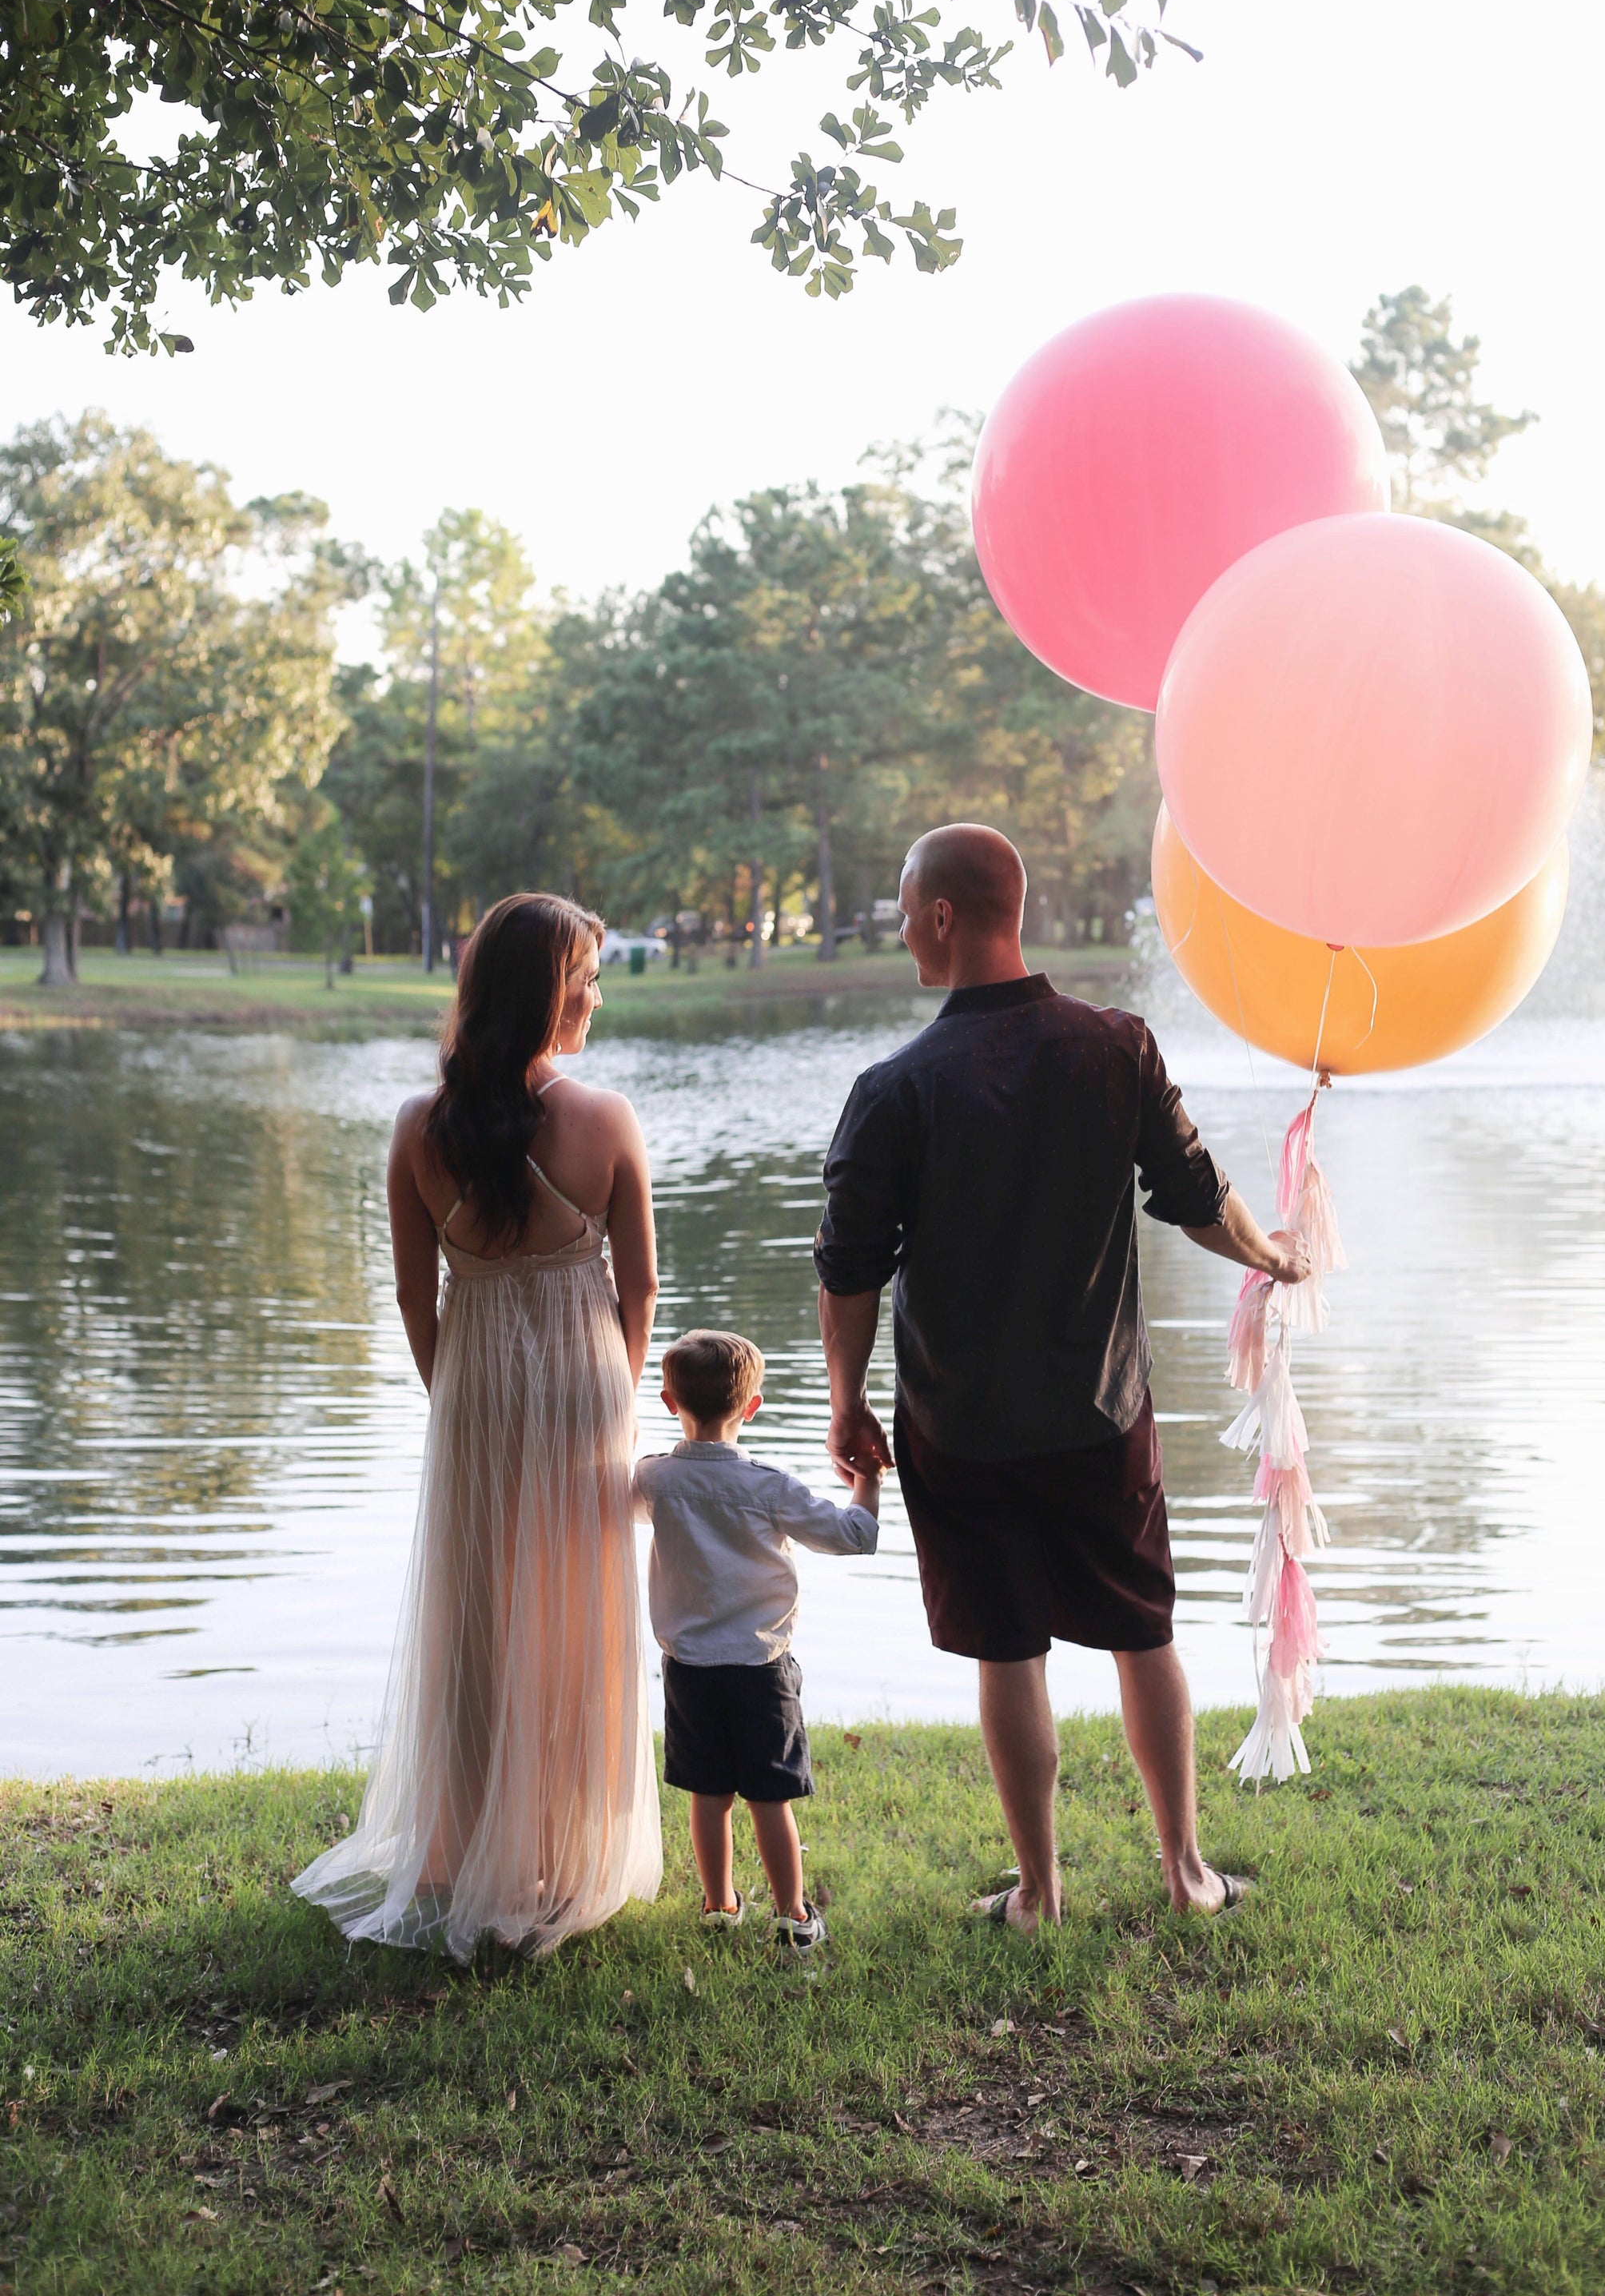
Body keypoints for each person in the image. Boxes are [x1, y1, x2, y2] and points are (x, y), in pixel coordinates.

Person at [814, 823, 1310, 1934]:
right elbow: (1195, 1192)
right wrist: (1272, 1254)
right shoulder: (1115, 1046)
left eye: (904, 909)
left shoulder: (895, 1088)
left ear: (944, 915)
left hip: (959, 1424)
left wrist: (845, 1400)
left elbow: (847, 1270)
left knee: (1006, 1649)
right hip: (1102, 1413)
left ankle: (1039, 1895)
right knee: (1143, 1634)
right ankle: (1187, 1877)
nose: (899, 929)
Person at [292, 893, 663, 1961]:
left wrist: (450, 1392)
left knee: (479, 1616)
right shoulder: (605, 1122)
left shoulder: (420, 1127)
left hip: (473, 1385)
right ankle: (556, 1849)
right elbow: (638, 1288)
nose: (595, 995)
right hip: (587, 1386)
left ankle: (461, 1845)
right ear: (547, 995)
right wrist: (617, 1395)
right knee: (574, 1614)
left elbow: (418, 1301)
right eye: (585, 979)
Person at [634, 1327, 880, 1951]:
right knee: (770, 1797)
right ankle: (794, 1918)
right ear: (753, 1407)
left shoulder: (656, 1480)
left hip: (687, 1666)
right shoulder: (768, 1487)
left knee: (708, 1794)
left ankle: (719, 1905)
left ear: (668, 1402)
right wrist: (867, 1478)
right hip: (760, 1667)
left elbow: (620, 1501)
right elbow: (856, 1536)